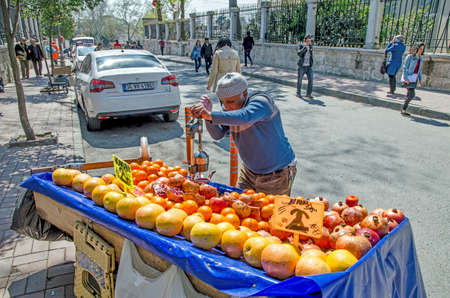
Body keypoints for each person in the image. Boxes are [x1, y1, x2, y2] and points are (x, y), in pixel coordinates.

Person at [191, 73, 297, 195]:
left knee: (270, 212)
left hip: (277, 174)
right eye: (222, 102)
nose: (226, 107)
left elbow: (245, 117)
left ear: (245, 94)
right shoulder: (230, 110)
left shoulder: (262, 102)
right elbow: (217, 134)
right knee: (238, 206)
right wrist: (209, 118)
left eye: (230, 102)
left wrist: (210, 115)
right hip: (248, 172)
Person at [401, 42, 424, 116]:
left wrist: (420, 80)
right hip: (408, 77)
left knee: (409, 94)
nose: (421, 51)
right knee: (412, 94)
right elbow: (405, 67)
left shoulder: (420, 58)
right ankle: (403, 109)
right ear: (416, 48)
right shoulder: (410, 56)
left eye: (423, 49)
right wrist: (405, 78)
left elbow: (419, 70)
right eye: (420, 49)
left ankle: (403, 110)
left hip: (415, 78)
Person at [296, 35, 314, 99]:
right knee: (300, 80)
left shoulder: (311, 46)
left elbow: (311, 56)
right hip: (302, 66)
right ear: (305, 40)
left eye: (310, 40)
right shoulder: (301, 46)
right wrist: (305, 48)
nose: (309, 42)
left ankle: (308, 94)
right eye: (308, 40)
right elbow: (299, 53)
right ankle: (298, 93)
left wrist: (311, 63)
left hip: (309, 66)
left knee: (311, 80)